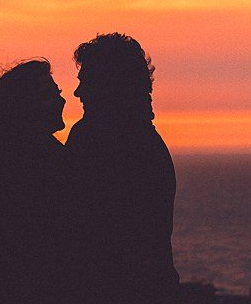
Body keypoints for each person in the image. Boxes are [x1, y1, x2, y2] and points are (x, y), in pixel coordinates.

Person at [65, 33, 179, 303]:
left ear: (108, 85)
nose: (77, 92)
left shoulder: (100, 142)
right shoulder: (144, 144)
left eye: (86, 82)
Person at [0, 59, 71, 303]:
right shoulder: (44, 163)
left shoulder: (2, 165)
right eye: (51, 95)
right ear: (27, 106)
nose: (62, 100)